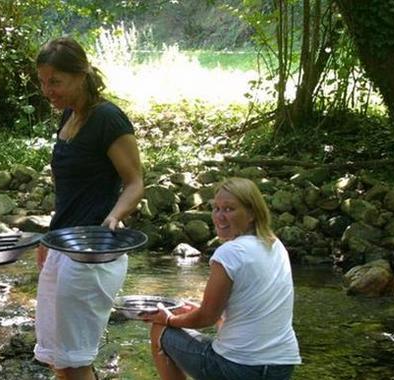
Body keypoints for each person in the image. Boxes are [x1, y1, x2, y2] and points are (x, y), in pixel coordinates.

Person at [33, 37, 145, 380]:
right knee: (57, 357)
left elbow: (136, 182)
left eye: (56, 82)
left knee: (76, 360)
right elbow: (70, 190)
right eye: (42, 82)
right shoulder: (69, 115)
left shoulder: (108, 119)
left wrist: (114, 215)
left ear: (81, 75)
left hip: (94, 252)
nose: (48, 90)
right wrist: (48, 239)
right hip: (62, 245)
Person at [145, 177, 301, 380]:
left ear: (252, 213)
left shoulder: (229, 252)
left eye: (229, 209)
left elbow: (206, 318)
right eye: (216, 208)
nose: (219, 216)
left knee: (161, 330)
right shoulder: (275, 245)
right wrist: (203, 313)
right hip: (282, 364)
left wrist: (169, 319)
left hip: (238, 368)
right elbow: (248, 312)